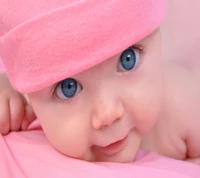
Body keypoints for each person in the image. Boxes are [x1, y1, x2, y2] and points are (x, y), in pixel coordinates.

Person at [0, 0, 199, 163]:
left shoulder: (183, 105)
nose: (108, 114)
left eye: (127, 60)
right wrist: (6, 89)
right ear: (30, 96)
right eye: (68, 88)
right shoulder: (27, 103)